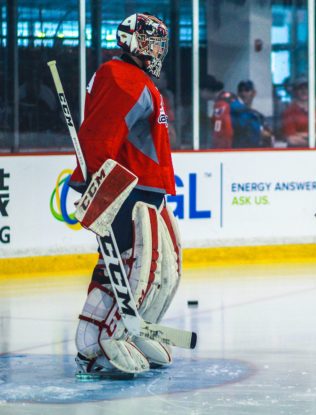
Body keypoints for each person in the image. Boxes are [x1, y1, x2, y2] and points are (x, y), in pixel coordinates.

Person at [69, 13, 181, 375]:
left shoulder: (139, 80)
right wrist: (95, 186)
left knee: (162, 270)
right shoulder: (120, 76)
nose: (156, 49)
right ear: (130, 40)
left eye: (160, 42)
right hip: (126, 190)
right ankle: (94, 341)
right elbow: (100, 135)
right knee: (132, 267)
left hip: (147, 188)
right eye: (149, 40)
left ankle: (130, 330)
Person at [212, 80, 273, 149]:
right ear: (237, 93)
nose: (243, 93)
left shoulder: (256, 114)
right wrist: (260, 132)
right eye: (240, 90)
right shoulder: (234, 110)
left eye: (247, 90)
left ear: (254, 93)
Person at [281, 76, 316, 147]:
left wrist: (303, 135)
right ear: (295, 91)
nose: (304, 91)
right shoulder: (289, 113)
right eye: (300, 88)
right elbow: (292, 140)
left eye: (306, 88)